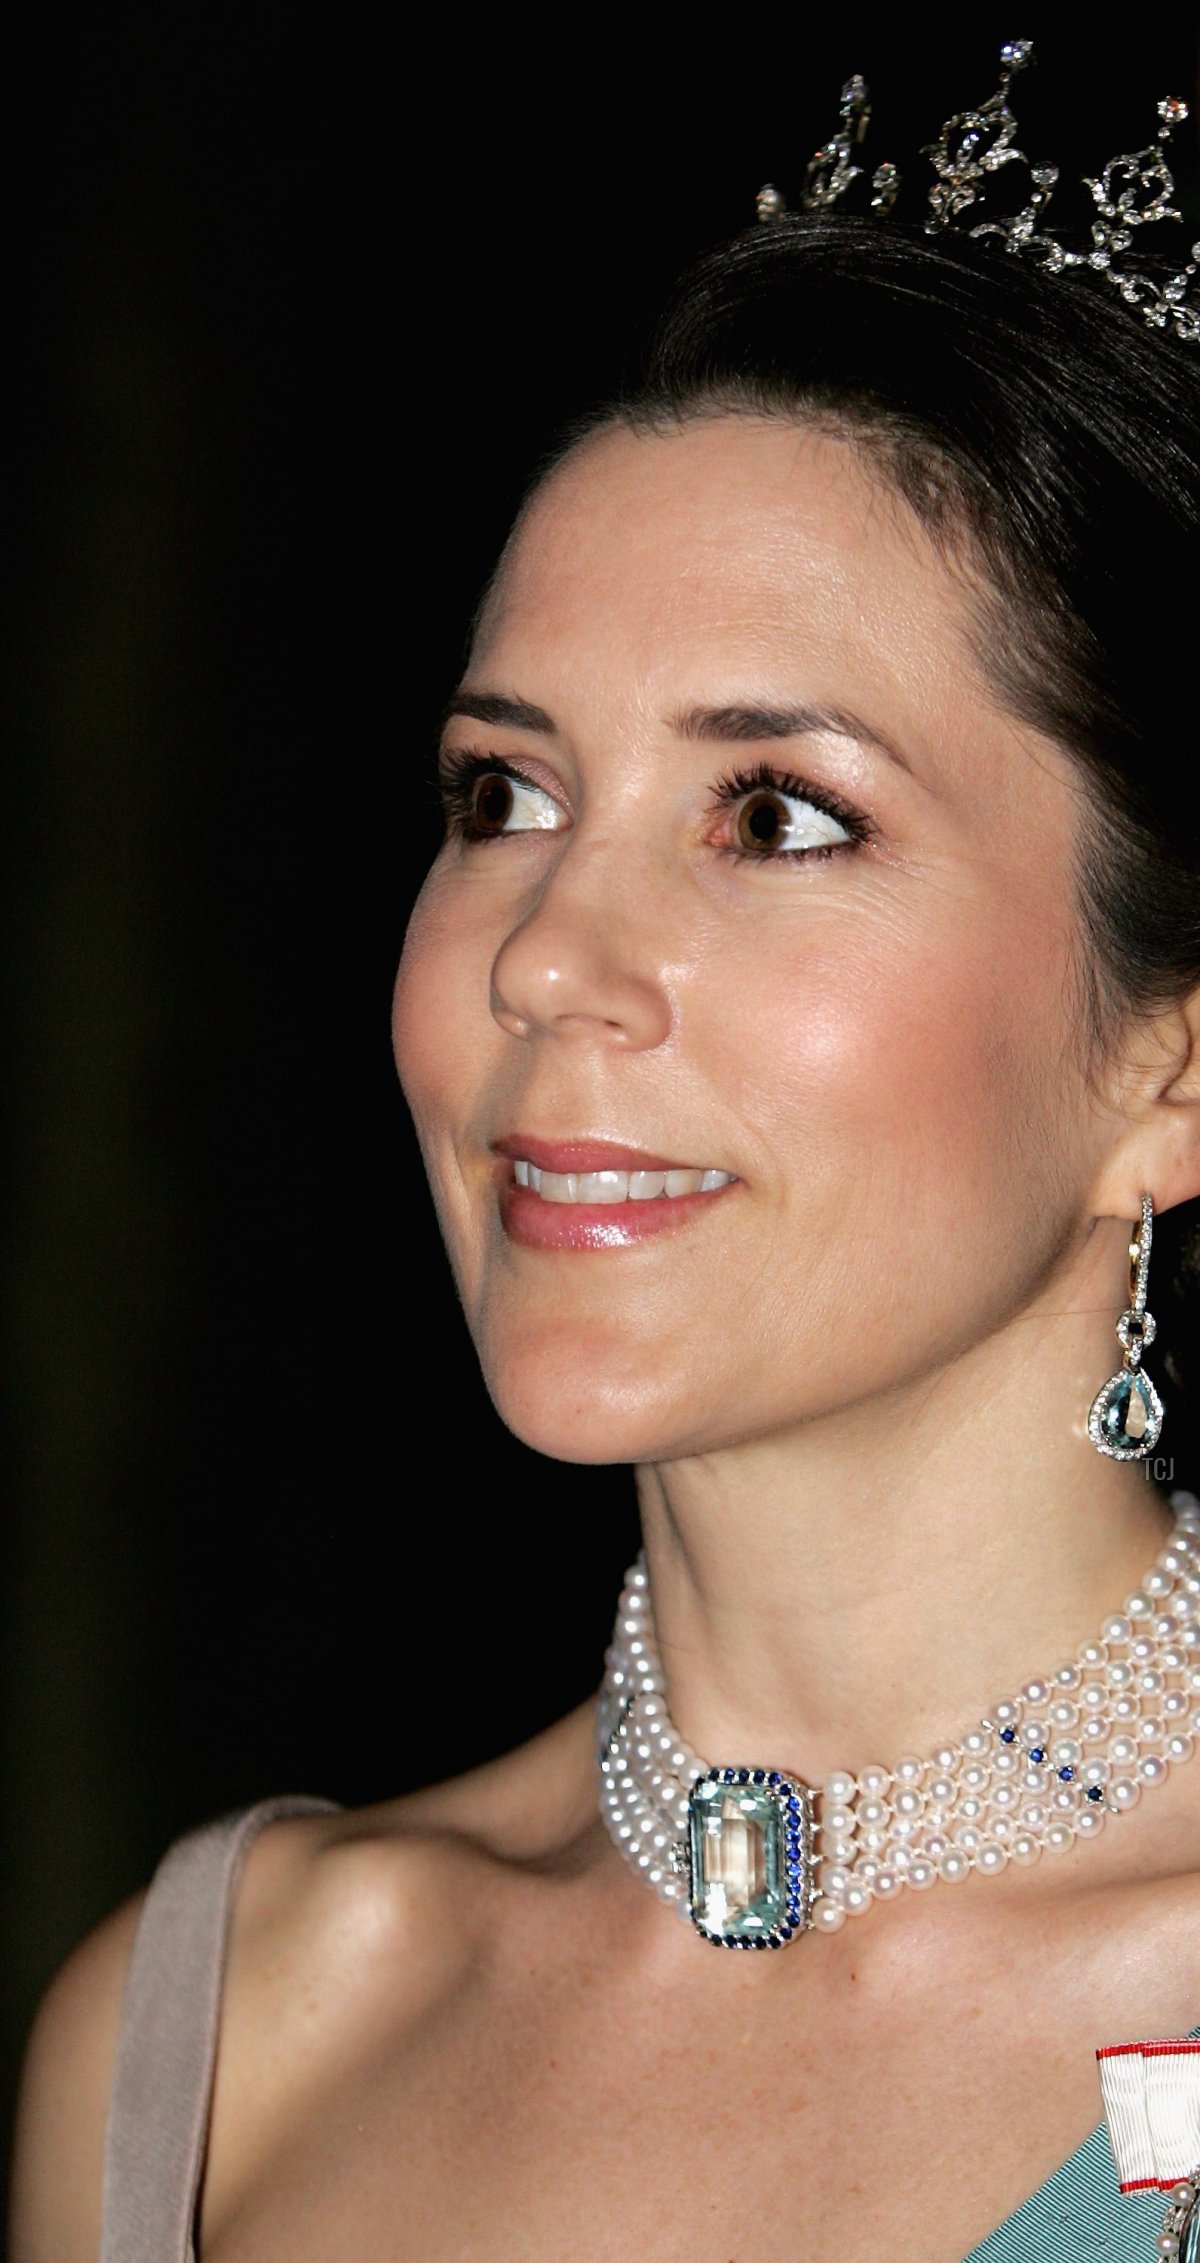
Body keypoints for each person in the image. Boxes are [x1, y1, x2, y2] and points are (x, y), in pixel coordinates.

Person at [10, 57, 1200, 2263]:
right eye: (503, 796)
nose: (552, 956)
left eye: (776, 814)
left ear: (1171, 1063)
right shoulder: (213, 2035)